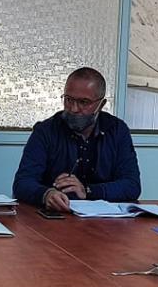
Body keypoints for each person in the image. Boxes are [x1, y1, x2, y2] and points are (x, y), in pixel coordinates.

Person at [13, 67, 141, 211]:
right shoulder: (45, 131)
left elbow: (132, 186)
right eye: (68, 100)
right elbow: (22, 183)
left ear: (101, 104)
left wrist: (87, 191)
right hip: (55, 216)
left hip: (105, 218)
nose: (73, 109)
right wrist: (46, 194)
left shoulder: (117, 131)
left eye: (84, 102)